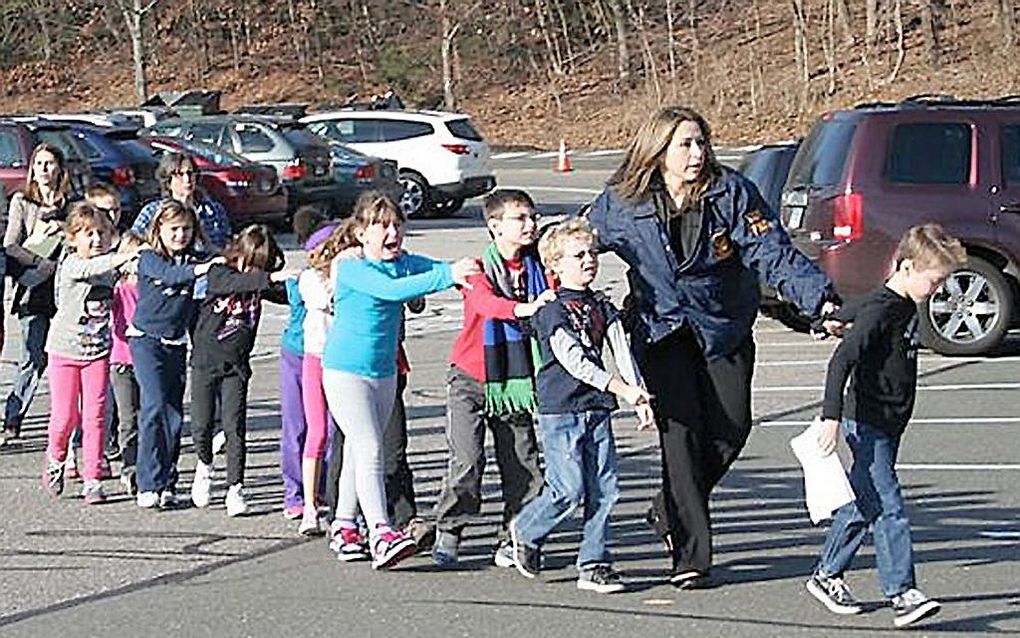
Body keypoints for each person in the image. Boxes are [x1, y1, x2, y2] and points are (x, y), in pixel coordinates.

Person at [586, 106, 840, 588]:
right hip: (660, 332)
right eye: (685, 144)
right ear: (658, 151)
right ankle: (690, 557)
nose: (697, 153)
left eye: (702, 142)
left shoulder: (732, 194)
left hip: (722, 326)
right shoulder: (622, 202)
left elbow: (774, 253)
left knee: (731, 427)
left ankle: (670, 507)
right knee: (680, 439)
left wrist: (820, 300)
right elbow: (575, 242)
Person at [806, 224, 965, 628]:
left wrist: (829, 320)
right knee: (889, 506)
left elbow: (855, 308)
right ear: (909, 267)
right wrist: (830, 418)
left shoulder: (899, 302)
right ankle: (902, 593)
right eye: (935, 280)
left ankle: (826, 575)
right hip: (867, 422)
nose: (938, 289)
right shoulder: (885, 307)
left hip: (890, 422)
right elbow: (841, 361)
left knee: (864, 501)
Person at [321, 190, 479, 569]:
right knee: (371, 446)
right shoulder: (354, 268)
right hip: (345, 370)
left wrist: (465, 269)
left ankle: (344, 525)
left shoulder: (403, 262)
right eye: (380, 225)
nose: (391, 232)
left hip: (384, 370)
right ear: (361, 233)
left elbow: (429, 270)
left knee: (362, 452)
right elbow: (392, 291)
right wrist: (448, 275)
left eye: (396, 224)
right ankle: (381, 531)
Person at [508, 219, 654, 594]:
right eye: (578, 255)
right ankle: (525, 530)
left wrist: (639, 394)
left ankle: (595, 563)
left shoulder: (602, 305)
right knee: (568, 489)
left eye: (592, 253)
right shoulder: (552, 310)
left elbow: (620, 349)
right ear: (555, 265)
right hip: (561, 408)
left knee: (605, 488)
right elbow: (572, 358)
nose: (589, 260)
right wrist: (620, 387)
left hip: (597, 407)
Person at [431, 189, 550, 567]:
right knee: (467, 460)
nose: (530, 225)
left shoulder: (541, 267)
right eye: (520, 218)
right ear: (494, 226)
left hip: (516, 380)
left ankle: (516, 534)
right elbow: (484, 304)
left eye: (533, 217)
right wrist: (524, 307)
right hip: (471, 376)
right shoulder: (477, 269)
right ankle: (450, 529)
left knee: (522, 462)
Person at [41, 203, 140, 503]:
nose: (96, 239)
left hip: (97, 352)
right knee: (65, 416)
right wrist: (122, 257)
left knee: (96, 415)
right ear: (73, 239)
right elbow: (92, 267)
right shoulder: (73, 264)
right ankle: (56, 458)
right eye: (88, 234)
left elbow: (133, 274)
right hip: (64, 351)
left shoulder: (111, 266)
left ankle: (93, 477)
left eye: (102, 233)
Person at [189, 225, 289, 517]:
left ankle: (235, 488)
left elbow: (285, 293)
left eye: (262, 267)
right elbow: (232, 284)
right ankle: (204, 465)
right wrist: (266, 278)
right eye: (252, 264)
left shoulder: (260, 283)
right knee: (200, 425)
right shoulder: (219, 272)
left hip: (237, 365)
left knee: (235, 427)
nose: (255, 273)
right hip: (205, 361)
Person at [130, 200, 222, 509]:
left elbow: (218, 264)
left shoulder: (195, 258)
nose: (181, 235)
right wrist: (202, 268)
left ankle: (168, 481)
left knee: (172, 414)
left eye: (186, 229)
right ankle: (147, 481)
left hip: (175, 342)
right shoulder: (148, 258)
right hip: (146, 341)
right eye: (174, 229)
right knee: (153, 405)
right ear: (159, 230)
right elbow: (171, 276)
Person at [1, 144, 72, 447]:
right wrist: (39, 260)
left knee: (64, 358)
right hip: (34, 286)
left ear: (59, 168)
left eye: (50, 163)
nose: (44, 169)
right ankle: (13, 418)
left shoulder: (72, 203)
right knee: (32, 355)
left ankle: (66, 421)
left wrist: (64, 232)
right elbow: (10, 245)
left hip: (65, 290)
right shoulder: (22, 201)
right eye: (39, 163)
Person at [278, 207, 327, 520]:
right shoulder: (303, 280)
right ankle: (295, 492)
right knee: (298, 426)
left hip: (331, 356)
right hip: (299, 353)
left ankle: (324, 487)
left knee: (330, 428)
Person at [295, 223, 343, 534]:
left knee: (345, 432)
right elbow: (325, 301)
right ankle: (309, 506)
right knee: (318, 431)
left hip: (345, 361)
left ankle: (342, 502)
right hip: (317, 358)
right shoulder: (310, 279)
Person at [131, 152, 232, 253]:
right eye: (180, 174)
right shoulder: (152, 211)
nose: (187, 179)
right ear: (168, 181)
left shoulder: (214, 210)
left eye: (190, 173)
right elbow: (133, 242)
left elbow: (227, 243)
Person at [110, 232, 145, 495]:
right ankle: (129, 467)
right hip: (121, 360)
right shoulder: (117, 289)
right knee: (128, 418)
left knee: (148, 416)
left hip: (147, 358)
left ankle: (147, 465)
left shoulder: (150, 286)